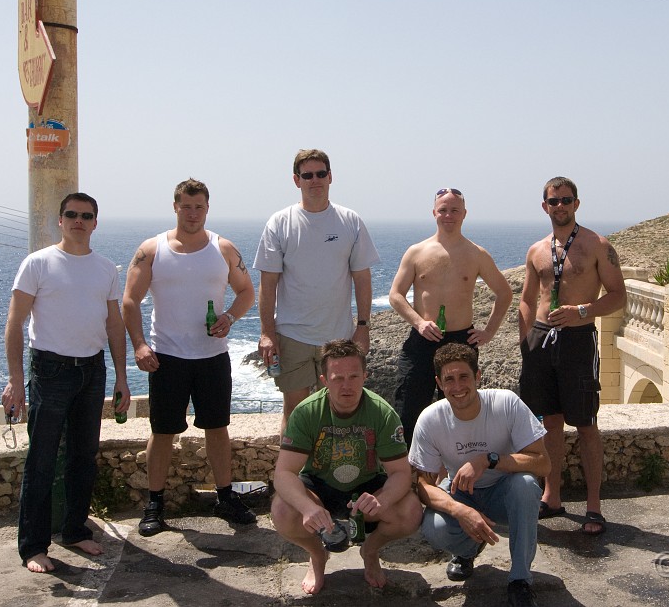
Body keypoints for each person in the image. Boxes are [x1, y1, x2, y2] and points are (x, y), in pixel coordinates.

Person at [1, 193, 130, 573]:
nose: (79, 221)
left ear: (95, 222)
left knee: (82, 457)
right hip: (51, 370)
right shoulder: (37, 263)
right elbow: (15, 323)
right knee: (41, 460)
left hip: (92, 370)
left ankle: (75, 530)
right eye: (71, 215)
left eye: (86, 216)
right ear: (60, 220)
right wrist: (15, 379)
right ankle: (33, 548)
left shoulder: (106, 268)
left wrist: (122, 376)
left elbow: (114, 324)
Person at [122, 178, 256, 536]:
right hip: (166, 357)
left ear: (207, 209)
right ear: (175, 207)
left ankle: (225, 497)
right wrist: (138, 344)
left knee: (217, 428)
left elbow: (246, 292)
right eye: (186, 206)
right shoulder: (152, 249)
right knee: (163, 432)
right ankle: (155, 504)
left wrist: (229, 317)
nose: (192, 213)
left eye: (199, 206)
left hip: (212, 357)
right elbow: (130, 300)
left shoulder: (223, 248)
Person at [270, 339, 422, 595]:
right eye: (338, 378)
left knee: (410, 511)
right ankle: (318, 555)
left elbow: (400, 473)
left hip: (366, 489)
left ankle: (370, 551)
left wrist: (381, 502)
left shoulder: (382, 414)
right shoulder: (307, 412)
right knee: (282, 511)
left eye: (354, 376)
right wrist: (308, 508)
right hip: (319, 487)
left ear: (366, 376)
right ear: (324, 380)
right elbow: (283, 473)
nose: (347, 385)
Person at [518, 176, 626, 535]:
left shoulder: (597, 245)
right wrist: (526, 342)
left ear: (576, 204)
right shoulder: (536, 250)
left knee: (585, 424)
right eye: (554, 200)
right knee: (549, 421)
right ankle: (552, 496)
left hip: (578, 340)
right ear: (544, 205)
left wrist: (582, 311)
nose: (560, 206)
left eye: (566, 200)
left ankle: (593, 506)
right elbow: (526, 299)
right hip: (541, 341)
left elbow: (617, 296)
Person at [409, 343, 549, 607]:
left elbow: (543, 464)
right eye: (449, 379)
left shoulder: (506, 403)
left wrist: (489, 460)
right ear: (439, 383)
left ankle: (520, 579)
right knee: (433, 526)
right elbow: (422, 485)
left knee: (527, 484)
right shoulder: (430, 419)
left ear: (478, 376)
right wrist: (461, 512)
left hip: (504, 492)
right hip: (462, 494)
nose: (457, 386)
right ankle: (467, 551)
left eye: (464, 377)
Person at [254, 149, 379, 433]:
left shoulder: (350, 221)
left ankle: (334, 475)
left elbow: (362, 278)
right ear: (297, 180)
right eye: (307, 175)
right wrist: (267, 332)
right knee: (295, 412)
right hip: (292, 335)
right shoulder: (279, 222)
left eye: (320, 173)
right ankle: (292, 475)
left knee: (342, 409)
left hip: (338, 336)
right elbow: (268, 283)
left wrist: (363, 326)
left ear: (330, 176)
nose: (315, 180)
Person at [388, 187, 513, 442]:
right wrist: (419, 323)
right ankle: (413, 476)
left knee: (461, 408)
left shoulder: (476, 254)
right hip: (423, 340)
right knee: (409, 408)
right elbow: (395, 295)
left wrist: (488, 332)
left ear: (464, 214)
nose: (448, 215)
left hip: (460, 341)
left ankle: (455, 474)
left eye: (454, 210)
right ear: (434, 212)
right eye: (443, 210)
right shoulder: (416, 252)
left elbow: (504, 293)